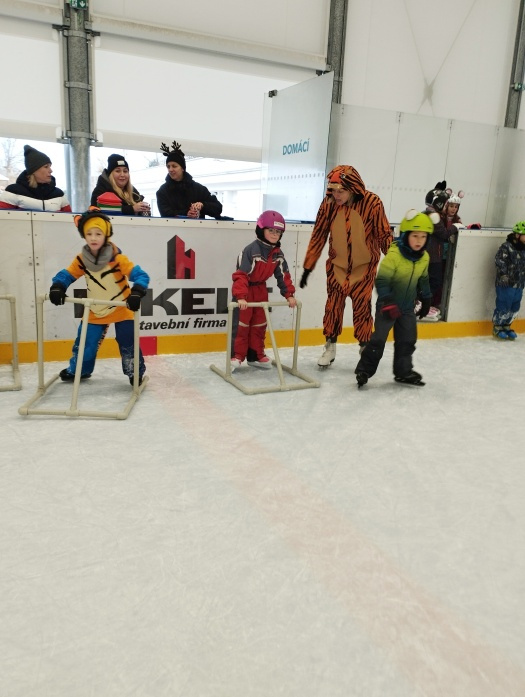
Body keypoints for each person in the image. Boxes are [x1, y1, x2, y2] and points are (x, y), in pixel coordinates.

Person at [299, 165, 392, 367]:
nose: (336, 195)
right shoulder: (328, 204)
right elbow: (318, 234)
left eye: (341, 191)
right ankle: (330, 346)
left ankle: (364, 347)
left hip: (363, 268)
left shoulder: (372, 203)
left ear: (353, 188)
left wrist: (396, 263)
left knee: (362, 309)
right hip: (337, 267)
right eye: (333, 190)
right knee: (333, 307)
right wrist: (308, 266)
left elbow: (384, 234)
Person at [48, 209, 150, 385]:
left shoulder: (117, 258)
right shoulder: (82, 259)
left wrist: (137, 292)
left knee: (128, 341)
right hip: (96, 309)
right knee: (86, 342)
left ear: (106, 234)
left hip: (122, 307)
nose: (93, 238)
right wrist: (58, 286)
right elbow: (68, 274)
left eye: (98, 234)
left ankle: (134, 372)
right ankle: (79, 370)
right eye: (89, 234)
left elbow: (141, 275)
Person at [354, 209, 438, 388]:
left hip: (407, 307)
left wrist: (427, 298)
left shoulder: (424, 258)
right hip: (388, 305)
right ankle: (364, 370)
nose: (419, 241)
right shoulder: (395, 255)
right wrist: (387, 301)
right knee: (378, 340)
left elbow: (423, 279)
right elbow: (382, 280)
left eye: (423, 237)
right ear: (406, 235)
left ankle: (403, 372)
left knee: (407, 340)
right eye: (415, 236)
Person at [230, 210, 296, 371]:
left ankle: (255, 355)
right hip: (246, 291)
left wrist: (289, 295)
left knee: (259, 324)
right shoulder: (252, 251)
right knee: (241, 325)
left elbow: (283, 275)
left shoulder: (277, 254)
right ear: (261, 230)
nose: (274, 234)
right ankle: (237, 356)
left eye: (278, 232)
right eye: (271, 230)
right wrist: (240, 296)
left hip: (261, 291)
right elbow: (241, 275)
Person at [156, 140, 224, 219]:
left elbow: (218, 208)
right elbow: (165, 213)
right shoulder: (162, 191)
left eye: (174, 166)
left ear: (182, 168)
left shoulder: (198, 189)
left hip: (197, 227)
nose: (170, 169)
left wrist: (203, 205)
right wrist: (186, 213)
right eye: (168, 166)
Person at [0, 144, 71, 212]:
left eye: (50, 166)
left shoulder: (59, 194)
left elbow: (70, 218)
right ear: (34, 170)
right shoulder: (13, 192)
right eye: (46, 167)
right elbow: (2, 217)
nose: (50, 171)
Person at [423, 181, 455, 319]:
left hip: (430, 254)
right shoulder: (433, 216)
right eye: (446, 204)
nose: (447, 207)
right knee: (434, 281)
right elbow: (444, 234)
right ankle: (424, 306)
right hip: (433, 256)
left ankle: (423, 305)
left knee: (430, 282)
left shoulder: (428, 213)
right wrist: (455, 227)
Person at [492, 221, 525, 340]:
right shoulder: (507, 247)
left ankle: (507, 325)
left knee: (515, 305)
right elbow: (499, 260)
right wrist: (503, 274)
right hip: (506, 283)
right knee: (504, 304)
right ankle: (498, 326)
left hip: (519, 283)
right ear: (517, 235)